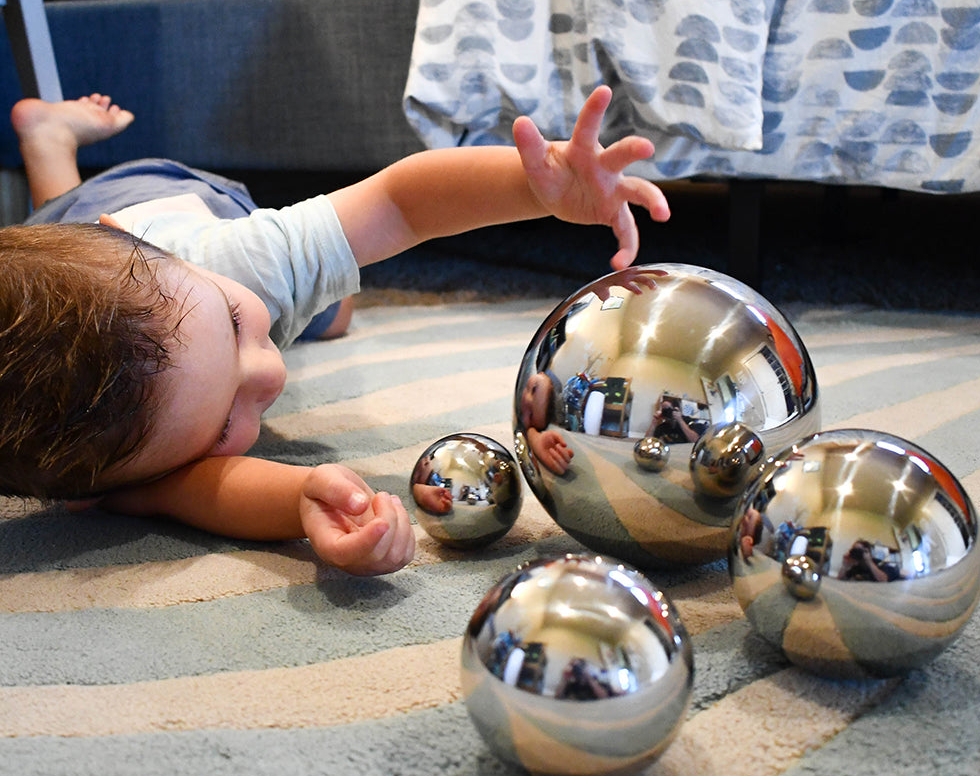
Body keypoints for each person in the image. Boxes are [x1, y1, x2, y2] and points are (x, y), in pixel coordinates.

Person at [0, 87, 670, 576]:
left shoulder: (238, 263)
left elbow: (401, 204)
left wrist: (540, 189)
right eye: (223, 421)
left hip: (173, 198)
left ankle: (59, 162)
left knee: (330, 306)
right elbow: (192, 489)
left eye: (235, 329)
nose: (270, 375)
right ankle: (48, 140)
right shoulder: (112, 449)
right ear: (89, 494)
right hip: (73, 227)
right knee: (314, 310)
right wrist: (301, 496)